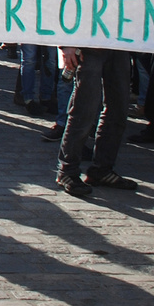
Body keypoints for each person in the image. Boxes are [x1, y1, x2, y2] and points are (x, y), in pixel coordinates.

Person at [52, 45, 136, 197]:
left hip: (118, 42)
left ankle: (102, 169)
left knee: (118, 109)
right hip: (88, 45)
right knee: (84, 110)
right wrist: (65, 45)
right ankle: (67, 170)